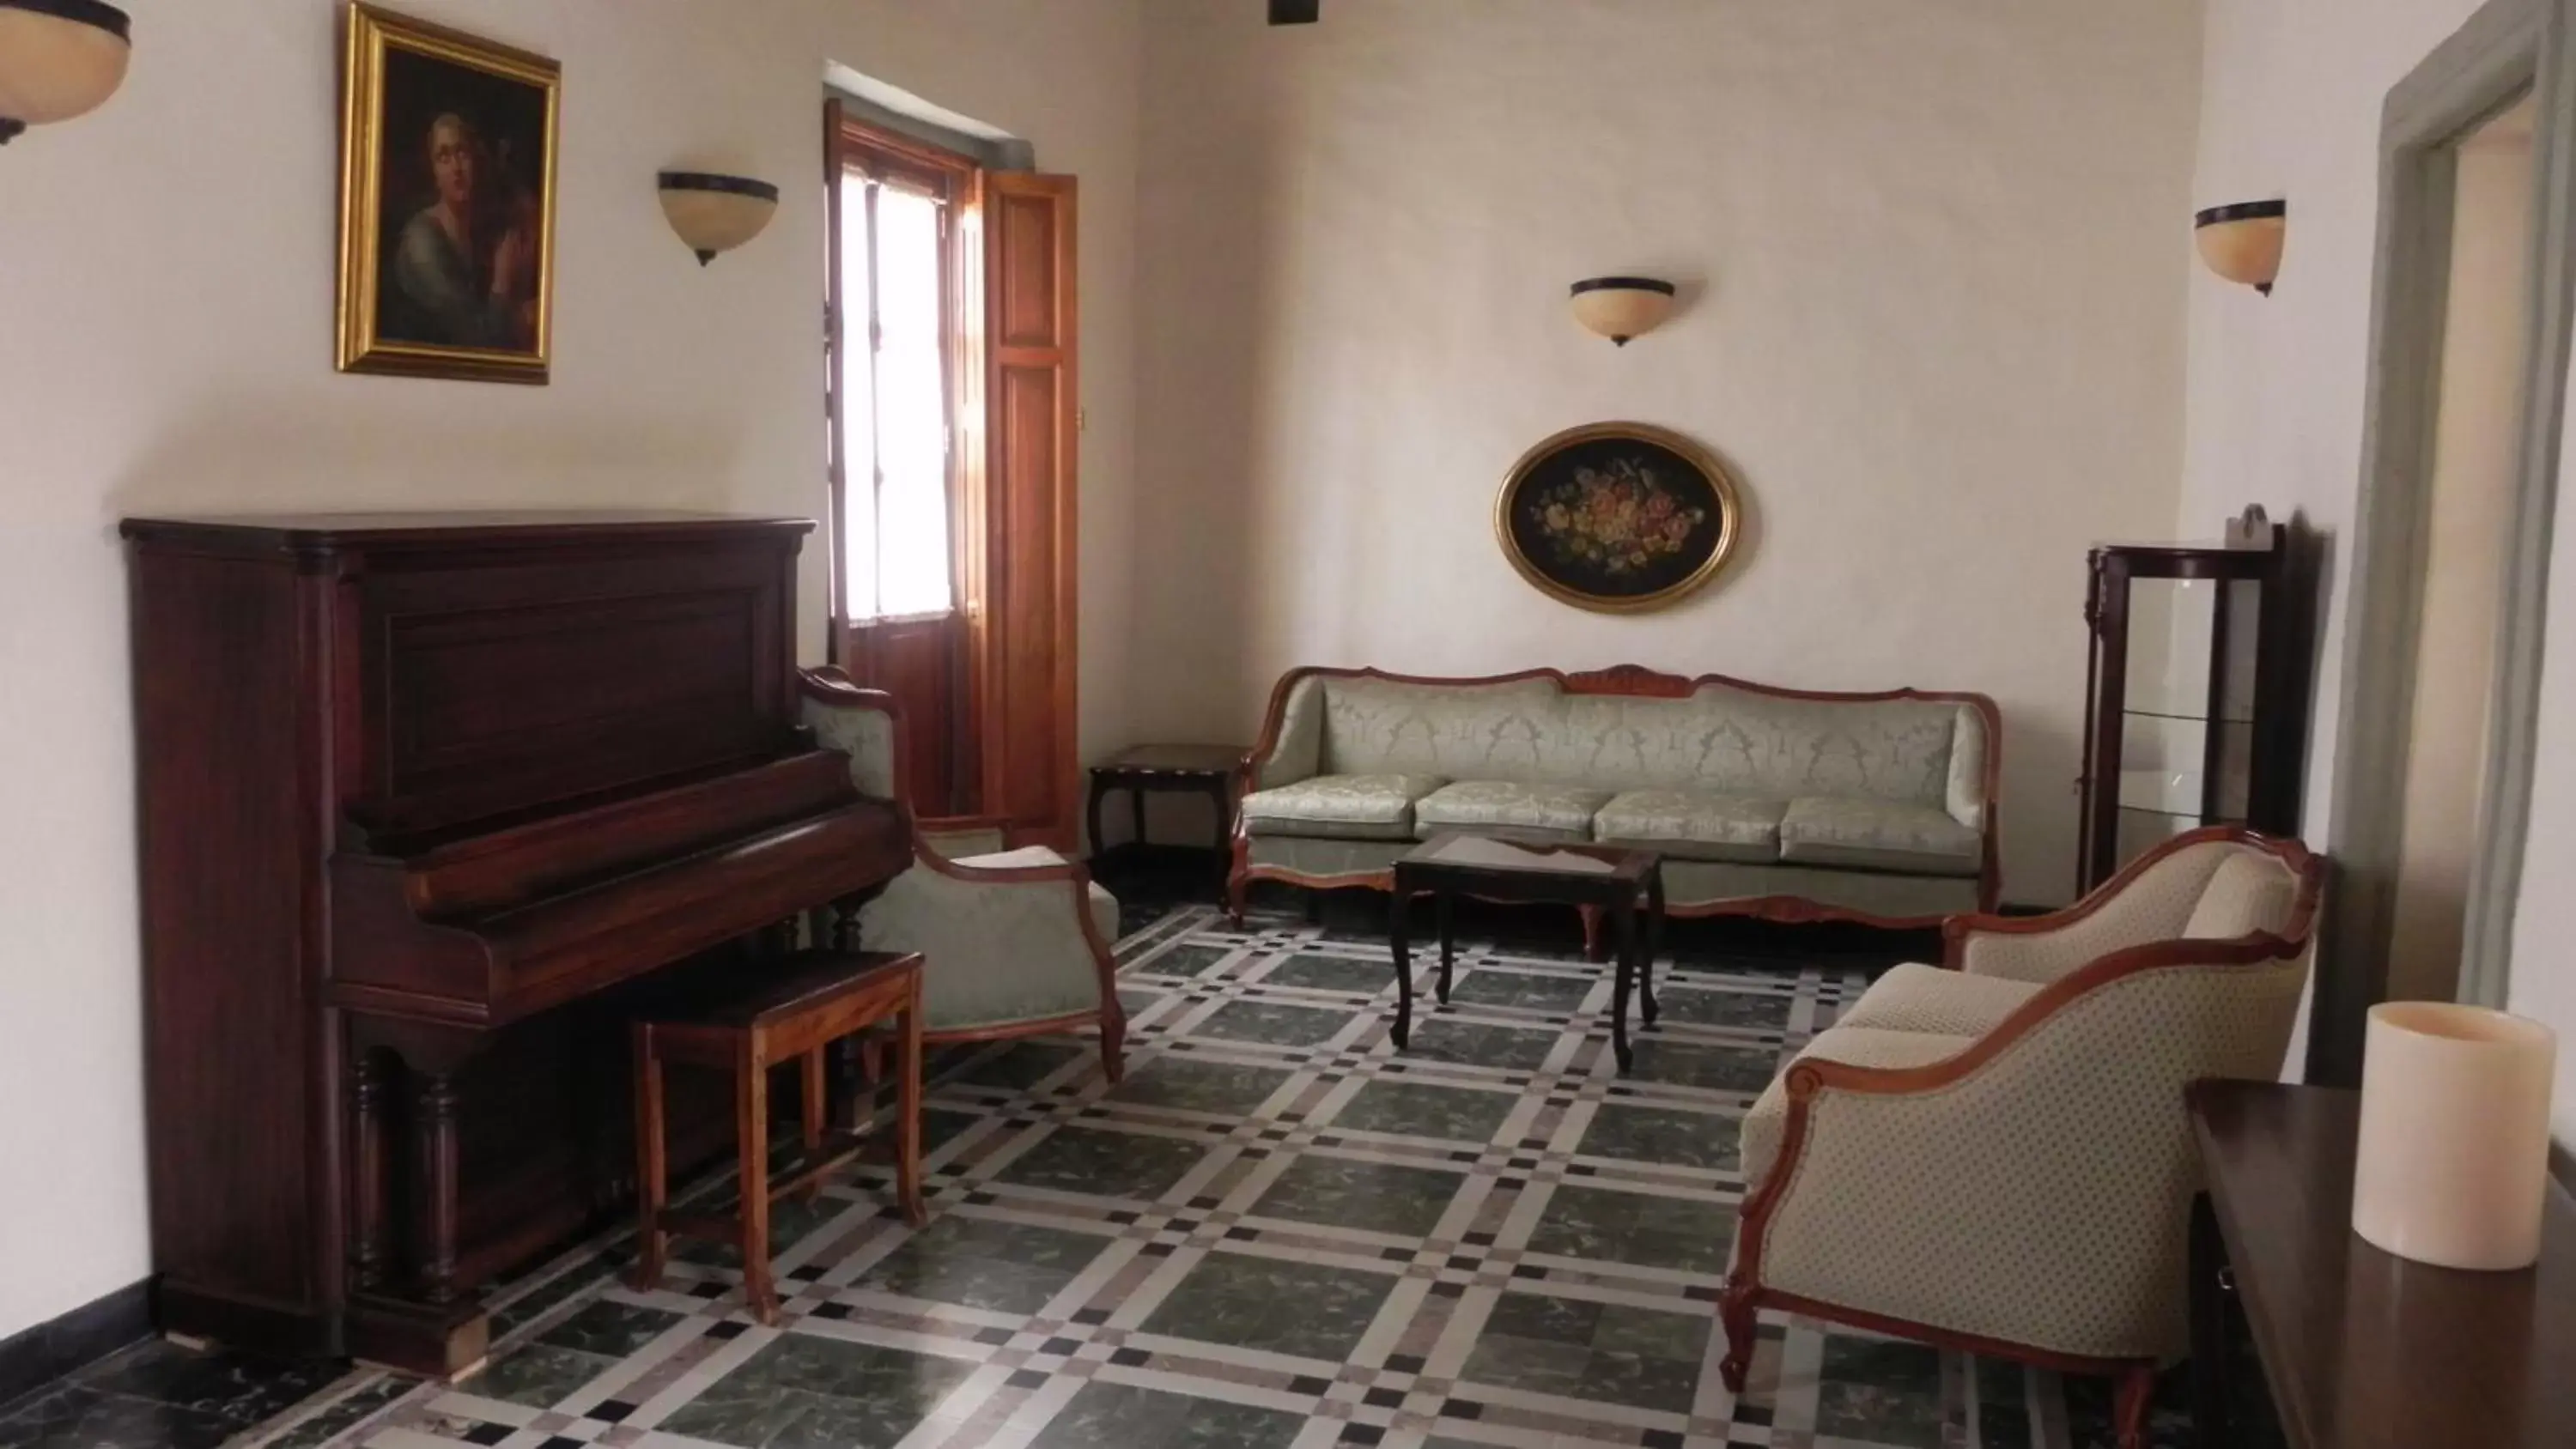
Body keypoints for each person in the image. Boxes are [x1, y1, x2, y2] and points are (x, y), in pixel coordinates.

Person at [384, 111, 538, 349]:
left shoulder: (477, 230)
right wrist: (501, 283)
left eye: (462, 153)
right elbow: (479, 343)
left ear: (476, 160)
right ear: (433, 171)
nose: (456, 168)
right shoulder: (422, 242)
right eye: (444, 157)